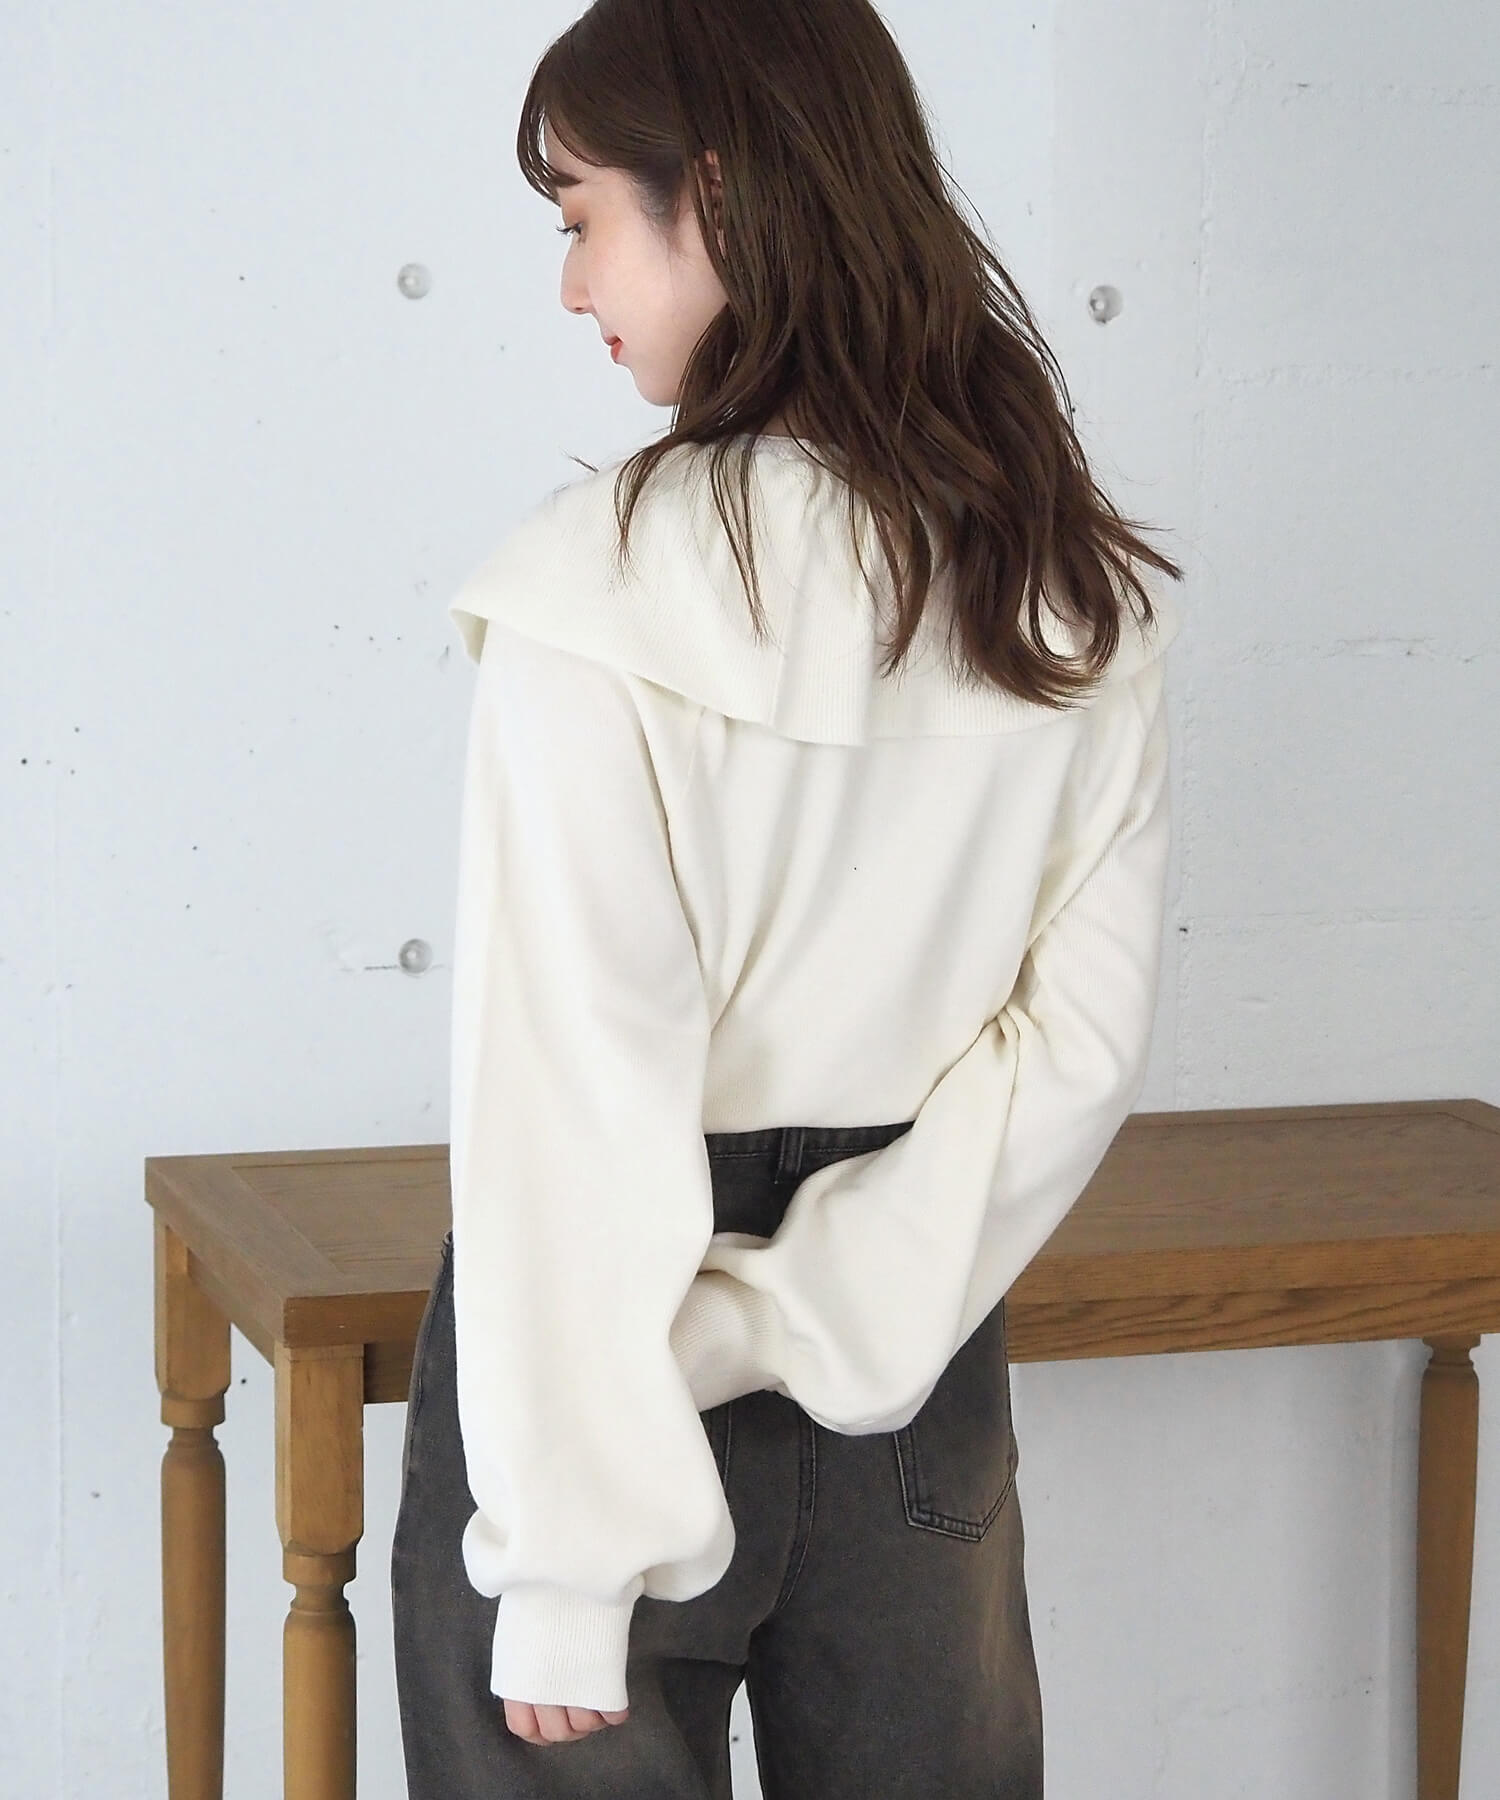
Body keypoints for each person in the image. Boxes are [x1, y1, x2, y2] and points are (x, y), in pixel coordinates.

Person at [390, 0, 1186, 1793]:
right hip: (917, 1350)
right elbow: (1075, 1053)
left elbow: (575, 1091)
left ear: (724, 199)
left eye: (585, 217)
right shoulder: (1070, 594)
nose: (572, 286)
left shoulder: (597, 592)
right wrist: (815, 1310)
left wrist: (568, 1565)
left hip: (599, 1374)